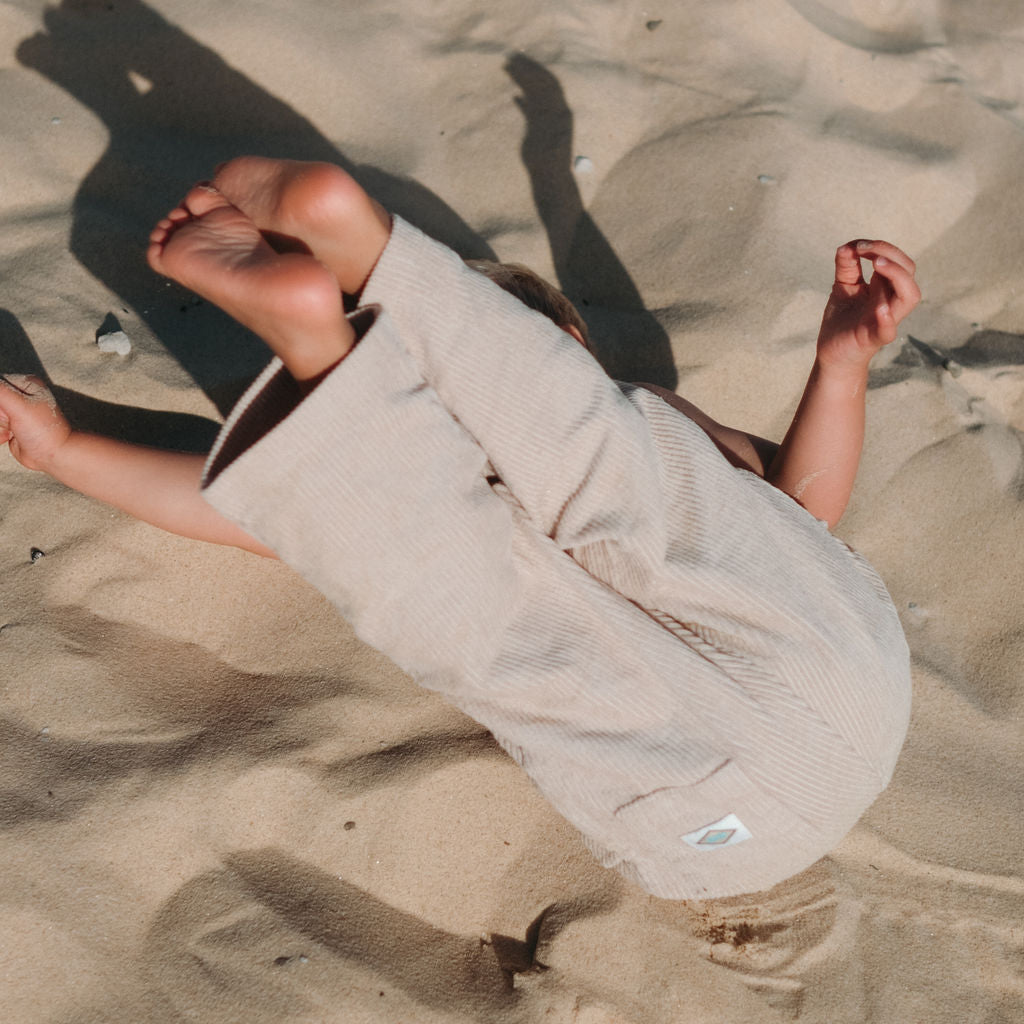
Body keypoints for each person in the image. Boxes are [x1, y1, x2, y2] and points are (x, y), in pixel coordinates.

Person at [0, 157, 920, 899]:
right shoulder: (644, 418)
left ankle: (333, 363)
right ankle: (378, 275)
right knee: (628, 473)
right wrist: (842, 367)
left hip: (714, 818)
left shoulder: (462, 457)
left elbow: (235, 516)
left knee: (470, 600)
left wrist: (68, 451)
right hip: (851, 671)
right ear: (569, 346)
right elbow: (799, 515)